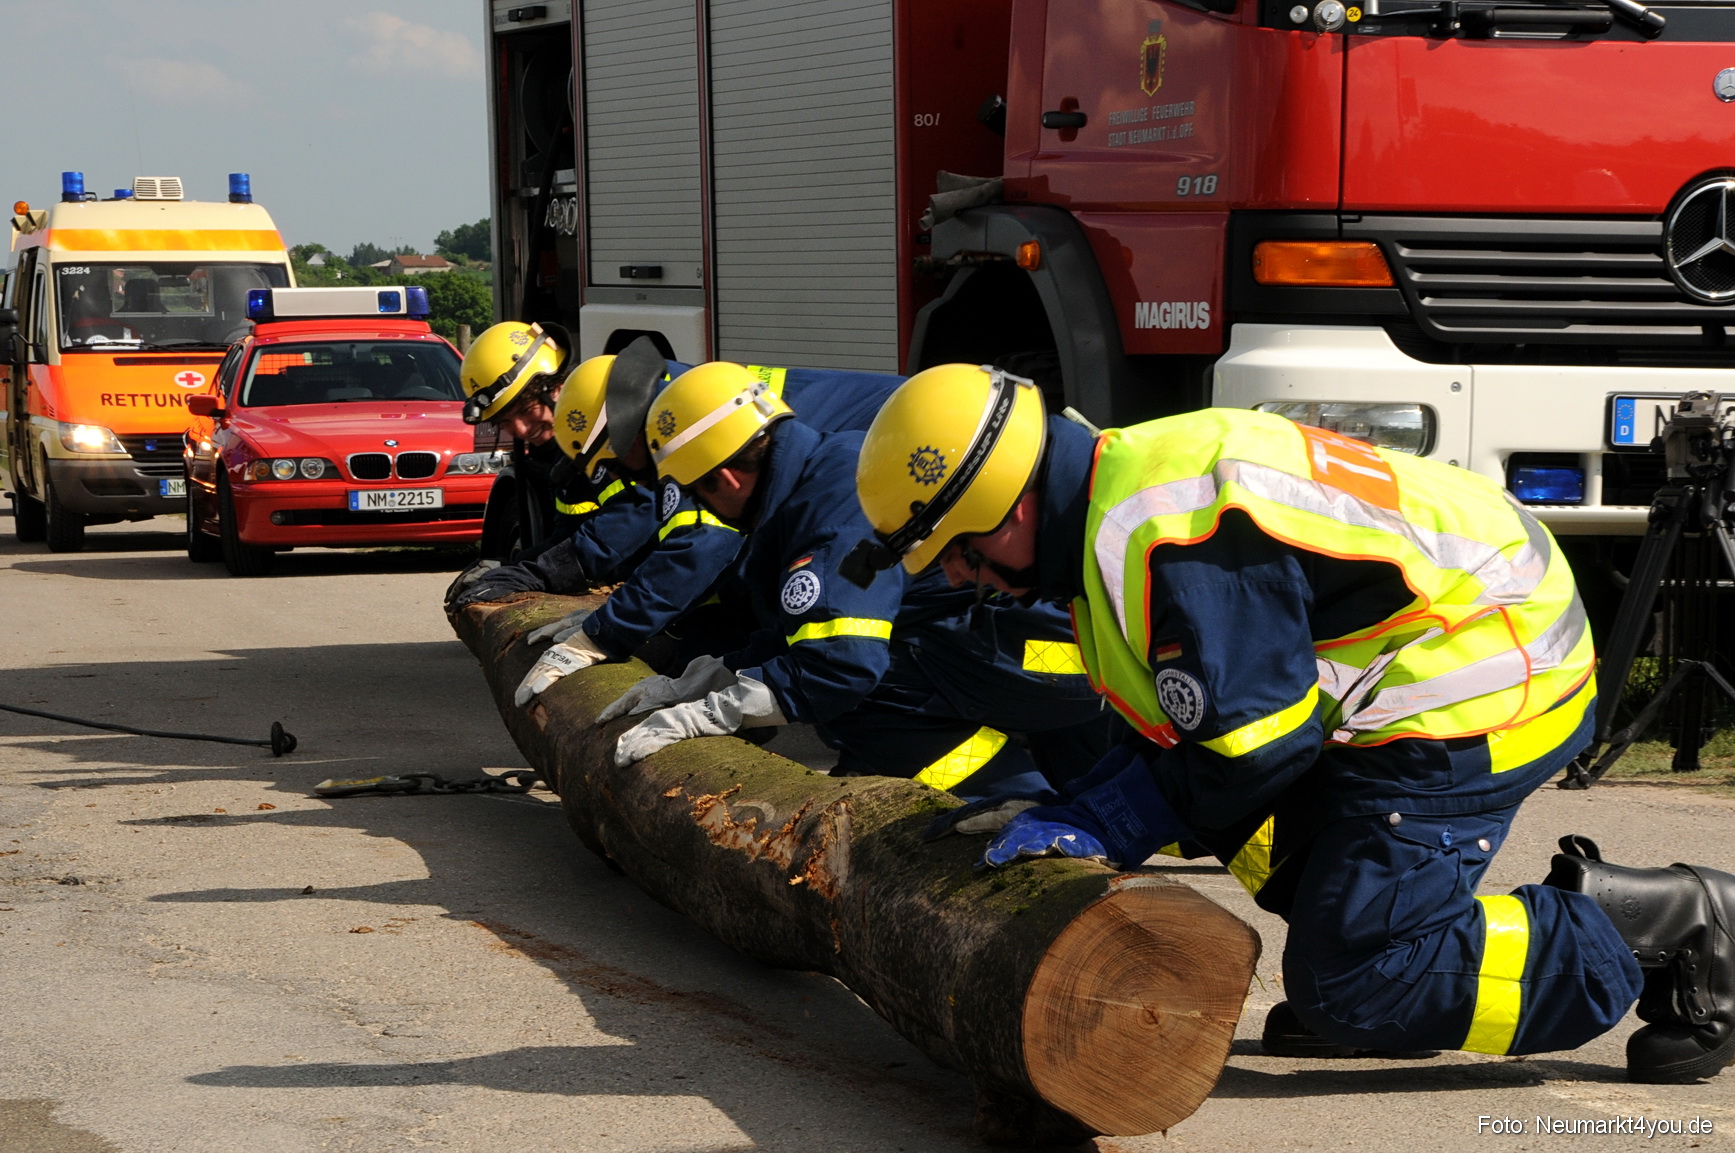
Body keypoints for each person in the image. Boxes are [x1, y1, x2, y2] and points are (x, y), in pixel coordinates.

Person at [845, 363, 1735, 1084]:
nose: (961, 577)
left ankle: (1656, 927)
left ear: (1012, 503)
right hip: (1424, 651)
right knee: (1261, 841)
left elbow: (1250, 744)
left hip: (1484, 675)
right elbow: (1187, 732)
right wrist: (1082, 805)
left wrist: (1108, 819)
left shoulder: (1170, 532)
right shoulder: (1118, 492)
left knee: (1350, 978)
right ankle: (1375, 945)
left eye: (960, 550)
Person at [596, 361, 1115, 800]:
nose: (699, 508)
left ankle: (1012, 799)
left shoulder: (825, 510)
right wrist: (721, 672)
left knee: (855, 694)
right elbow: (821, 624)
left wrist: (718, 712)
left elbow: (840, 664)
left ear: (727, 479)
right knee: (842, 665)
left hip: (1066, 658)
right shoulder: (819, 476)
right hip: (1044, 644)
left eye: (694, 493)